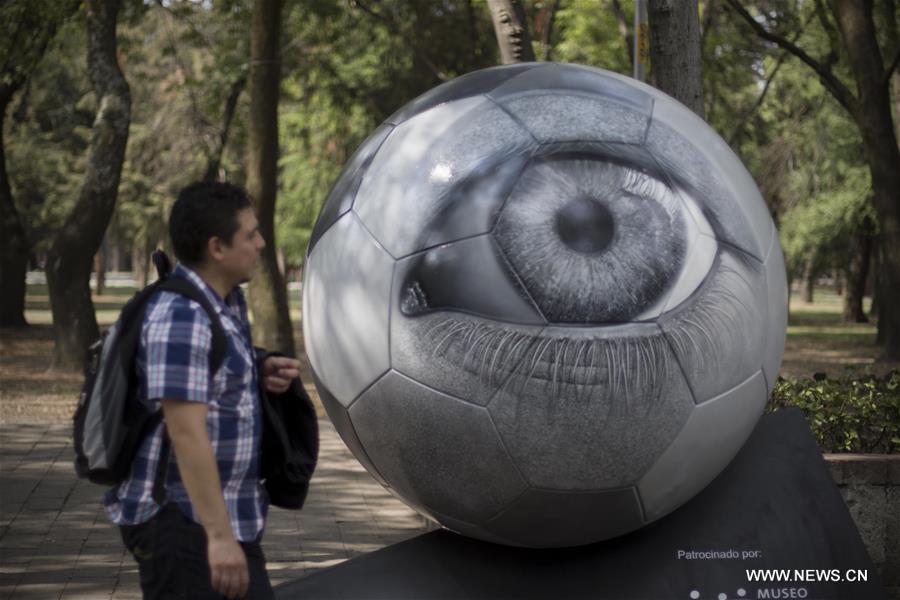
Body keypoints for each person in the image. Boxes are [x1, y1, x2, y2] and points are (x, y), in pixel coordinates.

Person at [104, 181, 301, 599]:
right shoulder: (183, 315)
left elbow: (211, 377)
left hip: (226, 518)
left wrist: (258, 367)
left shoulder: (223, 303)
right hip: (183, 525)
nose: (261, 243)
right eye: (250, 235)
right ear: (217, 248)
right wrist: (219, 538)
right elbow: (185, 431)